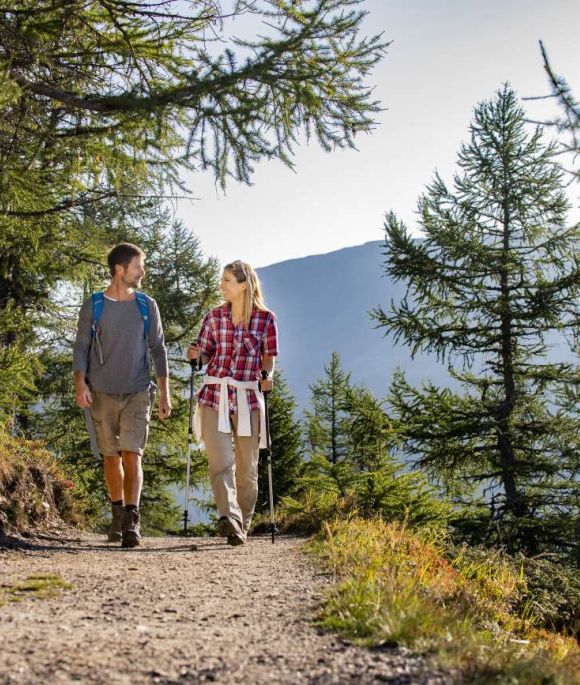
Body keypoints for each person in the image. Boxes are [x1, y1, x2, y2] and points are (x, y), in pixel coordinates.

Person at [73, 243, 171, 548]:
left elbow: (158, 349)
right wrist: (81, 384)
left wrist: (165, 394)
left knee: (132, 453)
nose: (143, 272)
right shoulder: (95, 304)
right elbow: (81, 347)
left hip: (138, 391)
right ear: (120, 269)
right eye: (138, 266)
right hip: (101, 392)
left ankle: (131, 519)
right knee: (110, 457)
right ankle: (117, 512)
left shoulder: (146, 305)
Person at [187, 260, 278, 546]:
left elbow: (268, 358)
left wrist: (268, 377)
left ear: (244, 285)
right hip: (214, 396)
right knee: (220, 463)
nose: (221, 285)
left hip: (249, 398)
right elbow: (204, 355)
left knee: (247, 469)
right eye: (222, 280)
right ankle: (230, 518)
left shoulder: (266, 319)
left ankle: (243, 524)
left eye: (227, 280)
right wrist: (196, 357)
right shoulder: (213, 317)